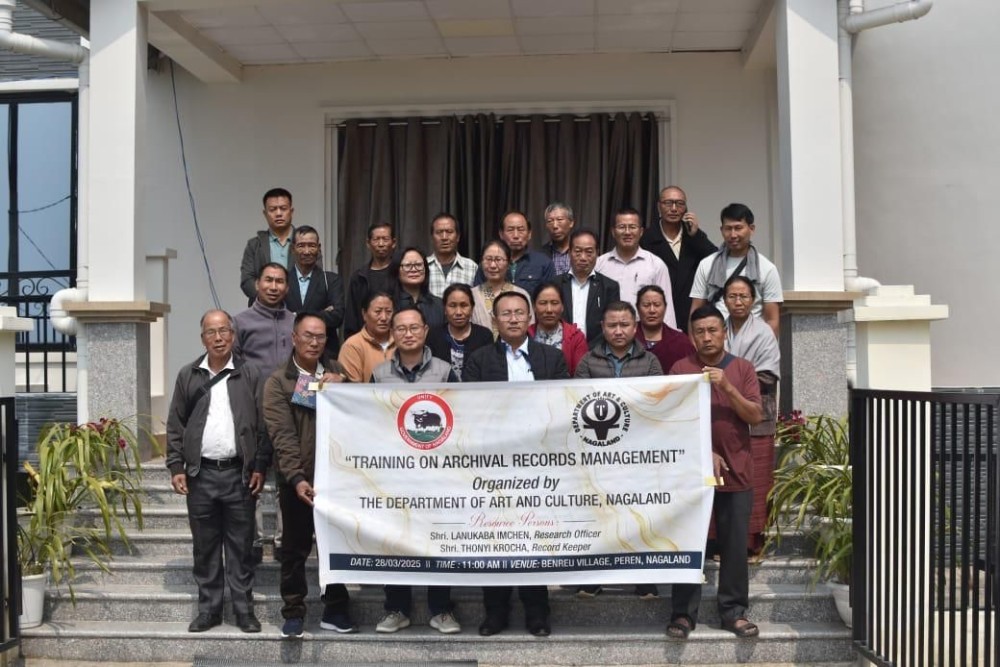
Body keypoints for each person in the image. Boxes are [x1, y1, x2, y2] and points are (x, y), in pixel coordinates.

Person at [463, 291, 569, 637]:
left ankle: (537, 613)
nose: (512, 319)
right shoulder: (478, 360)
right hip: (494, 466)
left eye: (519, 313)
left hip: (538, 467)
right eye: (505, 314)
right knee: (496, 541)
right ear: (493, 320)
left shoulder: (551, 359)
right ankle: (495, 613)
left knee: (533, 541)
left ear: (530, 318)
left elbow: (563, 409)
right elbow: (472, 411)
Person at [166, 310, 269, 634]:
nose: (219, 337)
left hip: (240, 475)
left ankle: (243, 611)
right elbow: (175, 424)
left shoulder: (250, 373)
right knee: (206, 546)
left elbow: (265, 426)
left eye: (224, 330)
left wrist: (260, 466)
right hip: (201, 475)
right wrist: (176, 465)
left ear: (233, 335)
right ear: (203, 338)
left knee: (241, 546)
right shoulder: (189, 375)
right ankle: (209, 610)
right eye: (212, 332)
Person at [667, 305, 762, 641]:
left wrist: (728, 388)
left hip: (737, 471)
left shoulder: (742, 368)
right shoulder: (681, 368)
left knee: (735, 546)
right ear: (692, 337)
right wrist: (704, 451)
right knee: (689, 542)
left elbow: (754, 415)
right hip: (692, 471)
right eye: (700, 332)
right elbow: (671, 419)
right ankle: (682, 614)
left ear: (724, 332)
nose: (707, 338)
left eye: (713, 330)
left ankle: (733, 613)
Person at [262, 312, 355, 638]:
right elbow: (282, 436)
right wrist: (296, 477)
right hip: (298, 479)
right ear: (294, 339)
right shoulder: (279, 381)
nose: (315, 342)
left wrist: (347, 385)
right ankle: (294, 611)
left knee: (336, 543)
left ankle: (337, 607)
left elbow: (364, 412)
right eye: (308, 336)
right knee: (295, 547)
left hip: (337, 478)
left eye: (320, 337)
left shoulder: (337, 373)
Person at [370, 307, 460, 633]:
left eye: (414, 328)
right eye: (401, 328)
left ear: (425, 331)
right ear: (392, 333)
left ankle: (441, 609)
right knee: (395, 541)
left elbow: (459, 416)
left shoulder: (446, 371)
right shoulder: (380, 375)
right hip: (395, 473)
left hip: (437, 474)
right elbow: (370, 421)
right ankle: (396, 608)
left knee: (438, 540)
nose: (408, 334)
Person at [723, 275, 780, 557]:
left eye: (743, 296)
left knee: (756, 479)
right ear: (723, 300)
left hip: (756, 413)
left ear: (754, 301)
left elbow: (768, 374)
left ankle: (752, 542)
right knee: (724, 478)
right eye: (732, 296)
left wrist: (733, 381)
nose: (738, 302)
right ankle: (722, 541)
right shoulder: (717, 329)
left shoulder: (763, 332)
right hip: (722, 413)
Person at [690, 203, 783, 338]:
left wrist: (764, 351)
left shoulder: (767, 269)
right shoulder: (707, 265)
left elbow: (772, 320)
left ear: (751, 229)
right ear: (721, 230)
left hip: (752, 343)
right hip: (713, 343)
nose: (733, 235)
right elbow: (696, 311)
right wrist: (695, 347)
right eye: (728, 229)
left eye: (738, 228)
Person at [640, 186, 717, 331]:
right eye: (668, 203)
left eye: (679, 204)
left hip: (691, 311)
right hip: (658, 313)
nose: (674, 208)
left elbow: (715, 261)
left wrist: (696, 235)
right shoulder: (646, 238)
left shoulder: (694, 236)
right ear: (659, 206)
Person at [595, 208, 677, 328]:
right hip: (608, 334)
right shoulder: (599, 264)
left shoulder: (656, 265)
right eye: (622, 227)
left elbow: (666, 307)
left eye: (632, 227)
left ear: (641, 231)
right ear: (613, 232)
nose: (627, 232)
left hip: (644, 334)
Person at [285, 225, 345, 359]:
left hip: (325, 355)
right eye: (301, 246)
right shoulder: (283, 280)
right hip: (289, 355)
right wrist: (322, 313)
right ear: (293, 248)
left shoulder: (331, 280)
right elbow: (279, 318)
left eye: (311, 245)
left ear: (319, 248)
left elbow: (337, 317)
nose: (306, 251)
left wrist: (296, 315)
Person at [556, 229, 621, 344]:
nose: (583, 257)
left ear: (597, 253)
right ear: (569, 252)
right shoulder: (555, 284)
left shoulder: (609, 287)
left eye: (589, 252)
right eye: (578, 251)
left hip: (598, 353)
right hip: (562, 349)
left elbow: (613, 323)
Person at [233, 263, 294, 378]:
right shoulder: (239, 322)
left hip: (294, 394)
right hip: (254, 394)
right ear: (257, 284)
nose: (273, 287)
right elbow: (230, 365)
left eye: (280, 281)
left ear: (287, 288)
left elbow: (307, 364)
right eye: (268, 280)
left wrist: (303, 396)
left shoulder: (295, 322)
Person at [474, 211, 556, 295]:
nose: (516, 235)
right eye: (510, 230)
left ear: (529, 234)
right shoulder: (489, 264)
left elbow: (549, 298)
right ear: (501, 234)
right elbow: (478, 296)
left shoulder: (544, 263)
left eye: (521, 230)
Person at [240, 188, 296, 304]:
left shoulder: (306, 243)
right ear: (265, 214)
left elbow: (315, 278)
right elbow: (247, 280)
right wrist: (268, 299)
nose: (279, 213)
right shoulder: (254, 245)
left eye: (283, 208)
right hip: (262, 310)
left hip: (299, 311)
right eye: (273, 209)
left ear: (291, 211)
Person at [426, 283, 493, 378]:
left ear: (472, 308)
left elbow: (488, 371)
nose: (458, 312)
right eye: (452, 306)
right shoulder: (434, 335)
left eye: (464, 305)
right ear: (444, 309)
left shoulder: (484, 336)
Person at [345, 222, 397, 339]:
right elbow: (352, 316)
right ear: (368, 243)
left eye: (385, 239)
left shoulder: (400, 273)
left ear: (393, 243)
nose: (381, 244)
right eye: (376, 239)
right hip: (365, 340)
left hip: (396, 339)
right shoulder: (359, 277)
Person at [471, 239, 532, 336]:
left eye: (498, 260)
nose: (493, 265)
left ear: (508, 264)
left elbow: (530, 329)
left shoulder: (521, 294)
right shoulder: (471, 295)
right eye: (488, 259)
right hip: (479, 350)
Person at [528, 282, 588, 376]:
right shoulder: (525, 335)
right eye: (543, 303)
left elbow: (580, 375)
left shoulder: (576, 337)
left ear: (562, 307)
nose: (549, 310)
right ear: (534, 307)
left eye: (554, 303)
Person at [634, 285, 695, 374]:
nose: (652, 310)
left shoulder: (680, 342)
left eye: (657, 305)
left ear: (665, 308)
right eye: (646, 305)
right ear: (638, 308)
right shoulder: (627, 339)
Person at [338, 291, 395, 383]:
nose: (384, 318)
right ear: (364, 314)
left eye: (389, 312)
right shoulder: (353, 345)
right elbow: (352, 390)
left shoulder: (401, 340)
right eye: (378, 311)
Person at [426, 213, 478, 297]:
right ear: (432, 237)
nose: (444, 237)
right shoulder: (422, 267)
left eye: (449, 232)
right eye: (439, 232)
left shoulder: (472, 267)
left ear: (458, 237)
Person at [393, 247, 445, 330]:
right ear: (397, 270)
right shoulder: (389, 304)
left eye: (419, 265)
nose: (414, 270)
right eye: (407, 265)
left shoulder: (439, 305)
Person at [542, 202, 576, 275]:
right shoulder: (540, 255)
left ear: (571, 223)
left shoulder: (581, 251)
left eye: (559, 219)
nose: (555, 226)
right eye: (550, 221)